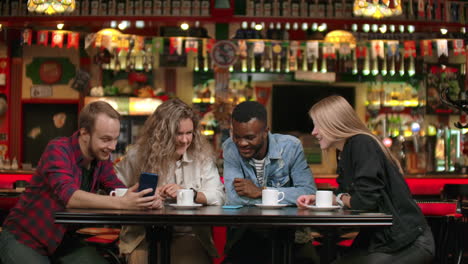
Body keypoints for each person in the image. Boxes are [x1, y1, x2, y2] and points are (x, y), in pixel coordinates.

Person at [0, 101, 162, 264]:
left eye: (115, 139)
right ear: (84, 133)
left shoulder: (101, 159)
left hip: (64, 243)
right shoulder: (58, 150)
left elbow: (117, 188)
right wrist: (122, 203)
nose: (112, 146)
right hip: (25, 238)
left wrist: (145, 198)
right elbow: (70, 197)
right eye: (106, 139)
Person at [297, 95, 434, 264]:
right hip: (384, 241)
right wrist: (324, 199)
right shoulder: (347, 150)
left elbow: (364, 201)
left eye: (318, 125)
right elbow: (346, 194)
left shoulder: (361, 143)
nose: (314, 132)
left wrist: (342, 199)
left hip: (409, 243)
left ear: (335, 123)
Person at [115, 98, 225, 264]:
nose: (185, 140)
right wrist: (140, 197)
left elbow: (219, 196)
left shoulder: (202, 157)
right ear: (161, 134)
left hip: (189, 234)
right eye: (178, 134)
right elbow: (112, 188)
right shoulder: (137, 156)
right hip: (142, 236)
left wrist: (189, 194)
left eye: (189, 133)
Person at [222, 100, 318, 264]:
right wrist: (287, 197)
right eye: (237, 136)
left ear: (266, 131)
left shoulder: (290, 147)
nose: (242, 143)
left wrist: (262, 191)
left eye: (250, 137)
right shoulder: (230, 148)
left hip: (291, 233)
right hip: (247, 233)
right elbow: (233, 198)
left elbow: (309, 193)